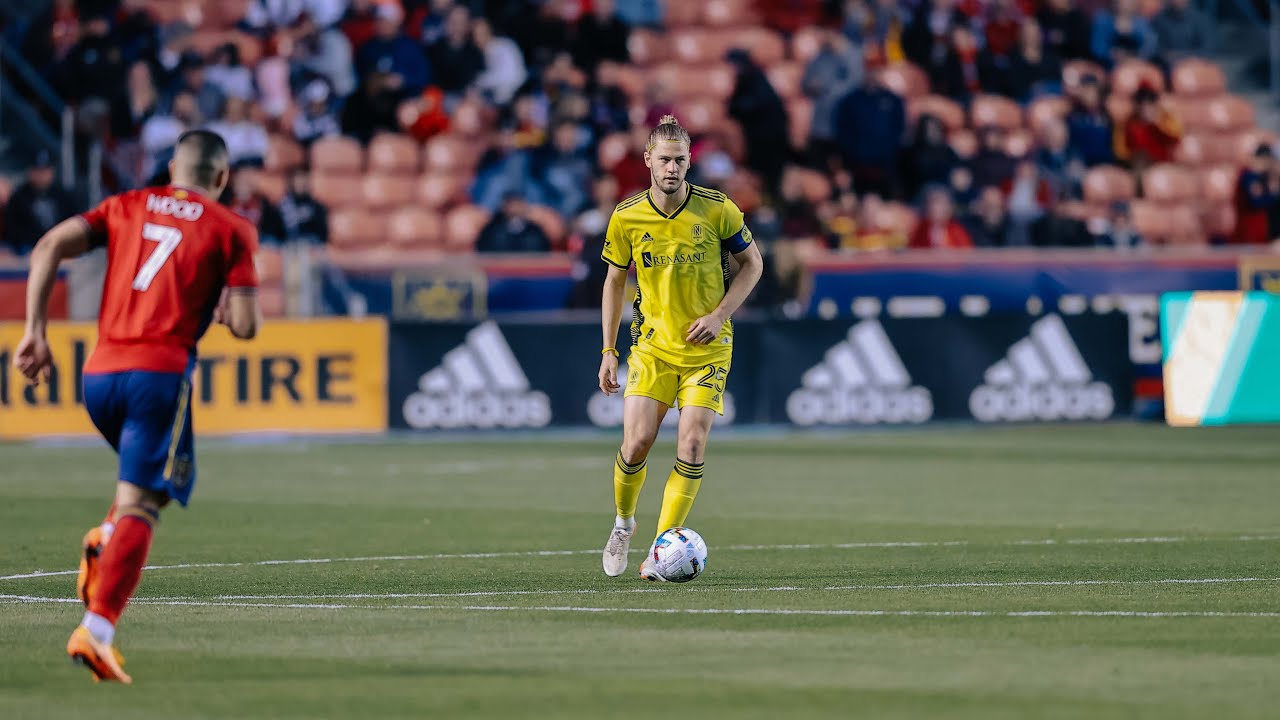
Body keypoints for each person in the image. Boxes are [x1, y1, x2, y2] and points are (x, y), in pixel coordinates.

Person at [12, 130, 260, 683]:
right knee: (143, 504)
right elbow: (244, 326)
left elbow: (49, 244)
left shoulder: (126, 204)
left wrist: (35, 333)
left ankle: (105, 538)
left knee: (158, 483)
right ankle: (96, 631)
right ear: (221, 178)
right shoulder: (231, 228)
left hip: (99, 376)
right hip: (159, 376)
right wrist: (229, 307)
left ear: (172, 167)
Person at [597, 115, 764, 581]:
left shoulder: (718, 210)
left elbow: (753, 265)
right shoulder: (627, 216)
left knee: (691, 444)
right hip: (652, 347)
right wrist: (609, 350)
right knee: (636, 444)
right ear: (648, 160)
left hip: (707, 349)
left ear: (691, 162)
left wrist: (718, 316)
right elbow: (614, 280)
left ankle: (660, 549)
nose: (673, 168)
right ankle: (623, 524)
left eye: (681, 160)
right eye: (665, 159)